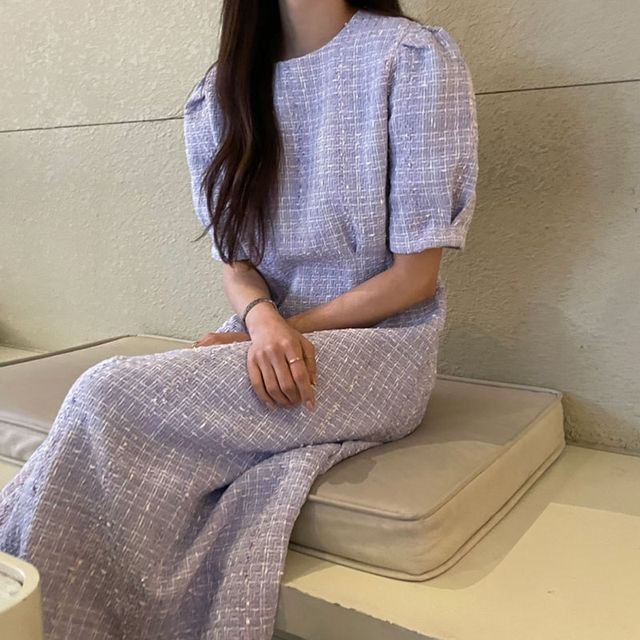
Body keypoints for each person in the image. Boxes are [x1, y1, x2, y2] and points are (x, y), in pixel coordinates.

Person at [0, 0, 478, 638]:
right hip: (264, 336)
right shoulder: (221, 93)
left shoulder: (411, 58)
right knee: (105, 409)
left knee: (104, 391)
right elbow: (238, 264)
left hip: (382, 350)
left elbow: (414, 278)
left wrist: (283, 330)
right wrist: (261, 321)